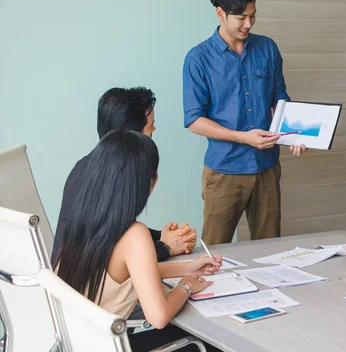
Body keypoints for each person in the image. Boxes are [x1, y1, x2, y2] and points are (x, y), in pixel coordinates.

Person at [55, 130, 222, 351]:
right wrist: (186, 285)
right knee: (212, 340)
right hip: (108, 346)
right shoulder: (134, 234)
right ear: (148, 182)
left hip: (77, 345)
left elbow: (118, 275)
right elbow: (159, 316)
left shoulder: (84, 218)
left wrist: (185, 267)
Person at [183, 0, 305, 246]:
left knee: (270, 249)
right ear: (220, 13)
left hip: (267, 168)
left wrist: (293, 134)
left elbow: (281, 100)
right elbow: (194, 120)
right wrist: (243, 137)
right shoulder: (198, 59)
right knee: (214, 253)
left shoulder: (268, 48)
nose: (248, 23)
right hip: (224, 170)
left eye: (253, 16)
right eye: (241, 17)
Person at [52, 87, 197, 266]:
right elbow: (107, 248)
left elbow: (119, 226)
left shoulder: (93, 164)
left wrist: (164, 237)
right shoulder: (97, 176)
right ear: (130, 135)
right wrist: (165, 247)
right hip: (83, 283)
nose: (154, 130)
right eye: (150, 126)